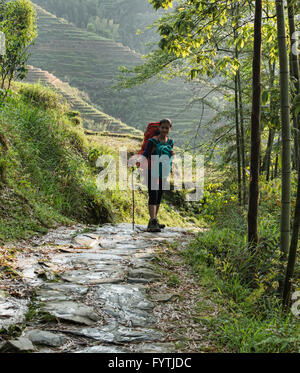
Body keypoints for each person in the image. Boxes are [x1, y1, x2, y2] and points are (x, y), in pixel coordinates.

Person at [140, 118, 174, 232]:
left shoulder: (170, 142)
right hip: (151, 170)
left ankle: (154, 220)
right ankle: (152, 220)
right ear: (159, 128)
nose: (164, 130)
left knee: (159, 196)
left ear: (170, 129)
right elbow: (146, 153)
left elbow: (169, 156)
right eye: (163, 127)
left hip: (164, 171)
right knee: (153, 195)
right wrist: (138, 162)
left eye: (167, 128)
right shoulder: (152, 141)